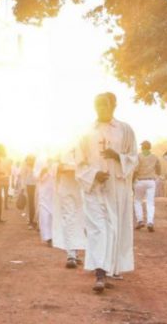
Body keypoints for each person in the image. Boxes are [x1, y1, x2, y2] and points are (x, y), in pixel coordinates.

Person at [76, 93, 138, 293]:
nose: (100, 109)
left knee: (113, 228)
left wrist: (118, 157)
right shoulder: (86, 132)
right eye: (97, 105)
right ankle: (100, 274)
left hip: (116, 189)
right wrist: (94, 174)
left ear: (114, 106)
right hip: (94, 188)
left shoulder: (125, 130)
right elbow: (80, 162)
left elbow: (134, 158)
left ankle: (109, 268)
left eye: (104, 105)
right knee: (98, 229)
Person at [52, 149, 86, 268]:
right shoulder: (61, 146)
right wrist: (60, 167)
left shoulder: (85, 144)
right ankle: (71, 254)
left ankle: (75, 253)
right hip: (66, 187)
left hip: (82, 187)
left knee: (81, 220)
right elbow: (53, 165)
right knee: (69, 218)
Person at [133, 140, 161, 232]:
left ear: (142, 147)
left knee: (137, 201)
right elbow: (158, 170)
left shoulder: (138, 156)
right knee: (150, 203)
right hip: (151, 181)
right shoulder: (155, 157)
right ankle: (150, 222)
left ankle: (140, 221)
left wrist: (132, 180)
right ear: (150, 147)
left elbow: (135, 170)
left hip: (140, 181)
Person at [36, 159, 55, 245]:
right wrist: (43, 172)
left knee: (54, 215)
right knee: (45, 215)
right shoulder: (40, 159)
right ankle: (48, 238)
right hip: (44, 193)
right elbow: (36, 175)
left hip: (55, 191)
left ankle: (55, 236)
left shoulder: (58, 156)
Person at [17, 156, 37, 229]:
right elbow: (22, 176)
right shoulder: (25, 164)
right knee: (30, 204)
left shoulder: (36, 162)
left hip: (36, 185)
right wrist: (22, 187)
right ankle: (30, 221)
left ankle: (34, 220)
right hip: (28, 186)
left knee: (35, 203)